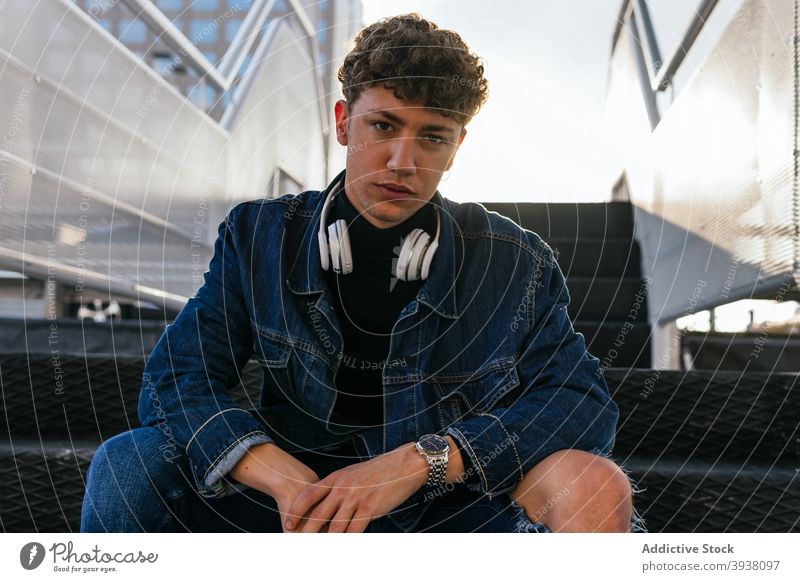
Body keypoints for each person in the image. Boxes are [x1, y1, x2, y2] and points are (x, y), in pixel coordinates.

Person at [81, 13, 634, 533]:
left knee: (590, 482)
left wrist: (424, 462)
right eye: (383, 126)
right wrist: (280, 475)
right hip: (292, 500)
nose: (402, 161)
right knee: (128, 462)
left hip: (441, 508)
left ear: (456, 147)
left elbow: (581, 405)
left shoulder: (516, 262)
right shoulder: (260, 237)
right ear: (344, 124)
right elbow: (177, 378)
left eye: (433, 137)